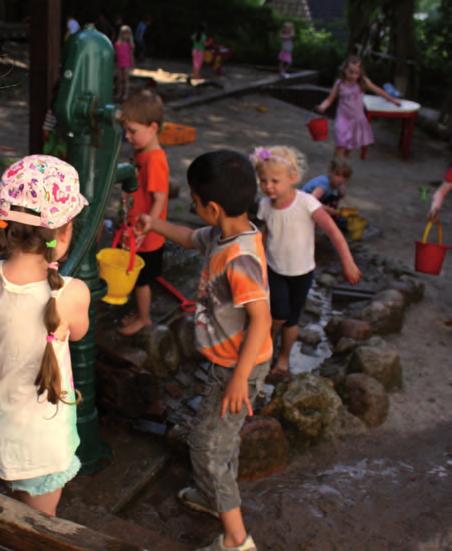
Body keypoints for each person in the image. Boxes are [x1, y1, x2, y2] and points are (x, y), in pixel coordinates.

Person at [136, 150, 273, 551]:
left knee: (207, 446)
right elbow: (191, 238)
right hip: (226, 363)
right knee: (221, 438)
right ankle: (214, 497)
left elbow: (261, 321)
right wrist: (155, 223)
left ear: (212, 207)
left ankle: (237, 538)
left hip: (238, 368)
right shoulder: (221, 233)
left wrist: (238, 382)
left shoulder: (241, 257)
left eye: (194, 201)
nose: (193, 208)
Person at [0, 155, 90, 516]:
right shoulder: (71, 294)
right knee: (39, 527)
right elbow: (80, 333)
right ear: (64, 234)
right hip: (41, 448)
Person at [250, 146, 361, 381]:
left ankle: (283, 358)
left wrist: (347, 262)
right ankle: (266, 344)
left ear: (293, 178)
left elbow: (333, 232)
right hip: (274, 269)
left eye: (275, 180)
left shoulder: (307, 202)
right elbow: (264, 234)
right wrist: (253, 259)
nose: (268, 186)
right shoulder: (264, 206)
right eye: (263, 180)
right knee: (278, 313)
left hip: (302, 272)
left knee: (292, 320)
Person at [118, 90, 169, 336]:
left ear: (153, 127)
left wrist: (148, 226)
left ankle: (144, 319)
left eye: (133, 131)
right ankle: (139, 311)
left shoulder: (155, 159)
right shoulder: (142, 153)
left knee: (142, 280)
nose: (128, 137)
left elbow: (160, 197)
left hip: (147, 237)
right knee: (134, 274)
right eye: (125, 131)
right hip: (136, 229)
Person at [316, 55, 401, 158]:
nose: (353, 75)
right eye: (350, 72)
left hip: (356, 120)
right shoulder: (339, 84)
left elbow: (378, 90)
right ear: (344, 70)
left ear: (360, 73)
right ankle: (336, 165)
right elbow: (329, 99)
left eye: (356, 73)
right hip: (342, 119)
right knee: (340, 143)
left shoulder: (362, 82)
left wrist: (392, 100)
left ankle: (342, 167)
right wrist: (322, 106)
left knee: (348, 148)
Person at [115, 25, 135, 101]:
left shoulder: (130, 45)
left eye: (127, 33)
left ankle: (125, 94)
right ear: (121, 34)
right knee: (119, 79)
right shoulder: (117, 44)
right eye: (124, 33)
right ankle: (119, 93)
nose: (125, 35)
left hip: (126, 64)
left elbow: (131, 55)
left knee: (126, 79)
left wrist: (132, 64)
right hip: (119, 64)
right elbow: (116, 54)